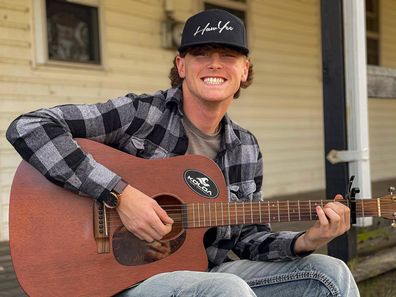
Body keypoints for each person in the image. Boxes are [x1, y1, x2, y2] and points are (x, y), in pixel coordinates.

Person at [6, 9, 359, 297]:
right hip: (127, 281)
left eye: (229, 55)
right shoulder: (141, 114)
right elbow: (30, 126)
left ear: (244, 70)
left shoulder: (245, 146)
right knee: (227, 291)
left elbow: (250, 238)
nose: (215, 64)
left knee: (329, 272)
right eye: (201, 54)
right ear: (181, 66)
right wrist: (120, 195)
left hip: (205, 272)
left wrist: (308, 239)